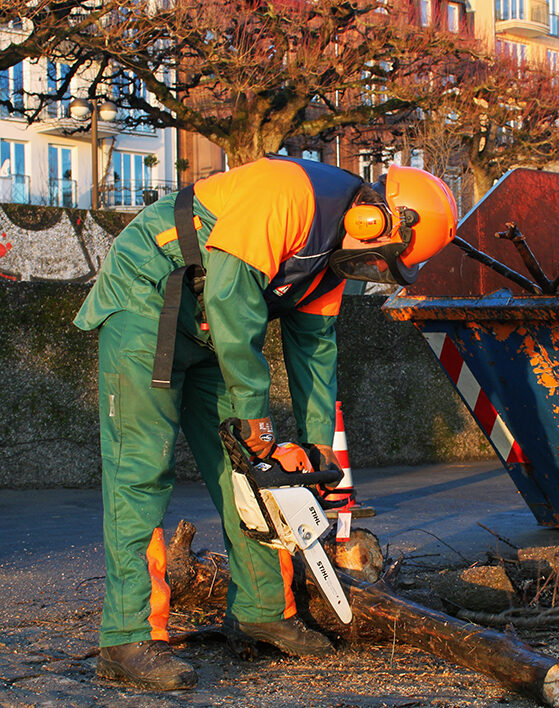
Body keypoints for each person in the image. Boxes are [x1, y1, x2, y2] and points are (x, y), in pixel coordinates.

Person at [74, 155, 457, 689]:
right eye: (382, 261)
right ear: (374, 221)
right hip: (147, 302)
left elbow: (316, 353)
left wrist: (317, 449)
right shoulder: (287, 194)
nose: (372, 273)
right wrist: (254, 417)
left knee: (253, 471)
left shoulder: (327, 264)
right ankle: (128, 636)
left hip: (210, 331)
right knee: (139, 470)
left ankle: (260, 611)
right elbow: (231, 298)